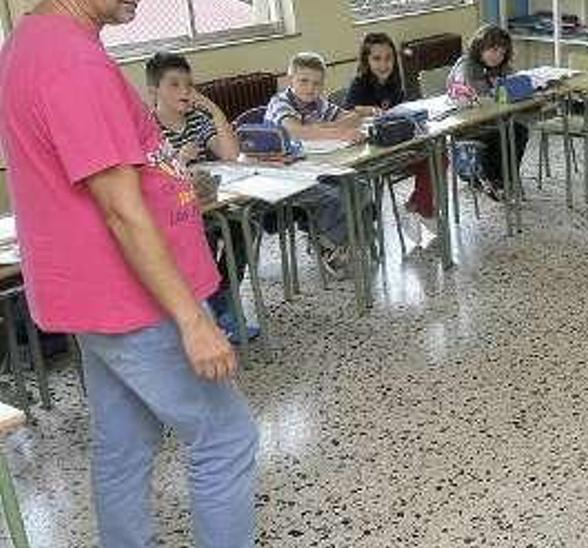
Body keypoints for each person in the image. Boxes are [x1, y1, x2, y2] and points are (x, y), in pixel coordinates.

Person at [0, 1, 258, 546]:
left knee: (123, 444)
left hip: (96, 297)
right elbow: (119, 208)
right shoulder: (71, 62)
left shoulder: (36, 41)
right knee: (224, 437)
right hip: (135, 302)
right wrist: (192, 320)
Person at [146, 51, 261, 343]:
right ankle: (216, 305)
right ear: (154, 91)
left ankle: (223, 296)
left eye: (188, 84)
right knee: (206, 235)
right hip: (176, 216)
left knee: (246, 224)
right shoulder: (148, 129)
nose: (184, 91)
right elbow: (147, 181)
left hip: (209, 202)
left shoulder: (197, 119)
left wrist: (214, 110)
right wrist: (177, 162)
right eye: (174, 85)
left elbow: (231, 155)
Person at [266, 52, 373, 277]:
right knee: (333, 197)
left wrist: (321, 129)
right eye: (303, 81)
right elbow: (296, 131)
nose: (310, 88)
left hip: (317, 168)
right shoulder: (280, 102)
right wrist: (333, 131)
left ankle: (333, 242)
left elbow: (352, 118)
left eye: (316, 83)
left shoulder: (318, 104)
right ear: (290, 81)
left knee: (361, 186)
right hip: (284, 176)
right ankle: (330, 245)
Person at [344, 32, 437, 232]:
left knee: (438, 154)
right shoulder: (359, 83)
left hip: (398, 145)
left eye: (388, 58)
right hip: (374, 154)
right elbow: (347, 110)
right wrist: (367, 110)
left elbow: (400, 112)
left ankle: (417, 205)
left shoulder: (395, 82)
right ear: (366, 61)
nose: (383, 64)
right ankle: (423, 208)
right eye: (376, 59)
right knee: (432, 157)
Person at [446, 25, 530, 201]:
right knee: (502, 134)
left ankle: (502, 179)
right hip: (468, 126)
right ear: (480, 47)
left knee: (519, 130)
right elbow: (473, 97)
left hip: (491, 122)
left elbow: (510, 85)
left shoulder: (500, 66)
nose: (497, 56)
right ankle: (491, 179)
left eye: (502, 52)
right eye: (493, 50)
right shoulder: (466, 66)